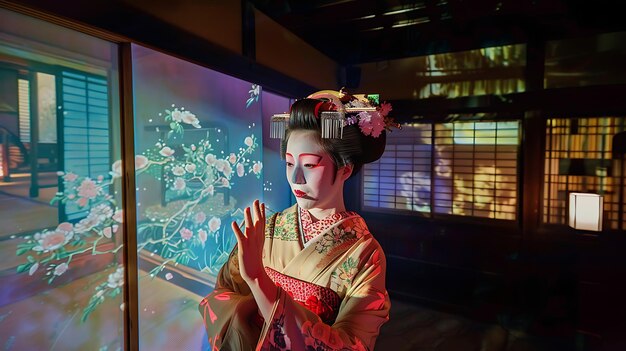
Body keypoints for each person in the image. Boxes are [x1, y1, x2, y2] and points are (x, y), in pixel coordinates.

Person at [199, 90, 395, 350]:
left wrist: (259, 281)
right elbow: (220, 294)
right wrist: (250, 310)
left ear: (345, 168)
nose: (296, 179)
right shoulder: (267, 228)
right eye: (290, 164)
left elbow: (352, 344)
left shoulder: (365, 255)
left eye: (310, 165)